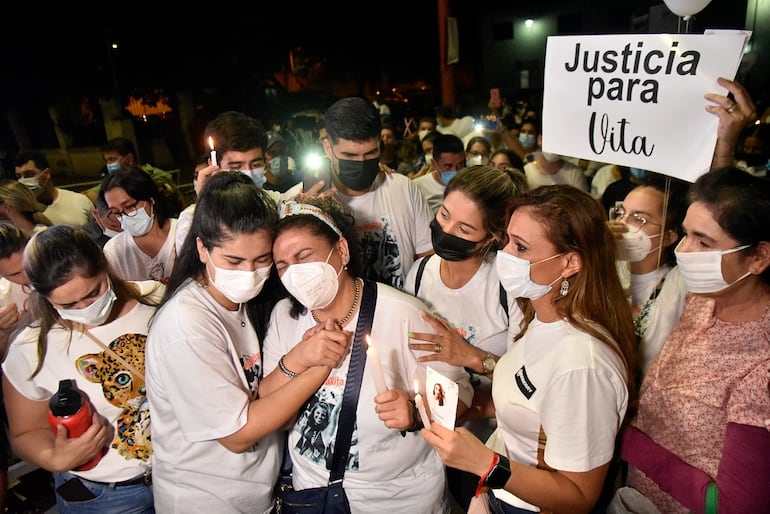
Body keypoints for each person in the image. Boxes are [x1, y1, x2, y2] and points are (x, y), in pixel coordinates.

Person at [422, 184, 636, 514]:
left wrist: (487, 464)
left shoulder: (583, 366)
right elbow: (531, 400)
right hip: (500, 497)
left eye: (521, 247)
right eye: (507, 240)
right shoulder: (542, 317)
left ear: (569, 263)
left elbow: (578, 496)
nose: (505, 255)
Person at [262, 196, 473, 514]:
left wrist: (416, 413)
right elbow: (270, 410)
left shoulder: (404, 315)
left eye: (304, 256)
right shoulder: (284, 316)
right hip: (311, 494)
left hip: (395, 501)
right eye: (283, 266)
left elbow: (461, 398)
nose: (295, 273)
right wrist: (300, 358)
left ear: (342, 251)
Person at [146, 172, 331, 513]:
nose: (249, 272)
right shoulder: (186, 325)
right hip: (206, 499)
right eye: (234, 261)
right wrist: (319, 367)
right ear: (202, 248)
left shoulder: (239, 304)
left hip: (250, 491)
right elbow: (238, 433)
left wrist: (299, 358)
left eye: (262, 260)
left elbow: (257, 390)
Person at [620, 167, 770, 514]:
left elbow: (734, 506)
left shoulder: (761, 366)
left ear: (759, 257)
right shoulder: (703, 300)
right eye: (686, 234)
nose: (685, 250)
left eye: (704, 241)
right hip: (637, 496)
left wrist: (627, 440)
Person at [2, 225, 163, 513]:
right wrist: (55, 458)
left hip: (180, 474)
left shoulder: (156, 302)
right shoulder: (31, 349)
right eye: (68, 303)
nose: (85, 307)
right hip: (104, 494)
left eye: (93, 292)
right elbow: (25, 432)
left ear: (104, 265)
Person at [319, 97, 433, 289]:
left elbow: (429, 262)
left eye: (371, 154)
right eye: (350, 156)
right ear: (328, 148)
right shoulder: (313, 200)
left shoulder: (403, 188)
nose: (362, 162)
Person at [608, 174, 690, 376]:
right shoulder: (604, 266)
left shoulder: (679, 283)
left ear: (669, 236)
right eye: (621, 213)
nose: (623, 224)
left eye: (639, 219)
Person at [99, 167, 178, 284]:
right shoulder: (114, 251)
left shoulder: (182, 231)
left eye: (130, 206)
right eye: (117, 212)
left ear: (151, 199)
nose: (125, 216)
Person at [13, 152, 96, 231]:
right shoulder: (21, 214)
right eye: (19, 177)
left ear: (47, 174)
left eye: (29, 175)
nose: (23, 181)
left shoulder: (79, 201)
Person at [412, 133, 466, 216]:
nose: (455, 171)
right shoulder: (417, 187)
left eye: (460, 164)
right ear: (434, 164)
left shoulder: (471, 183)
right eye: (448, 166)